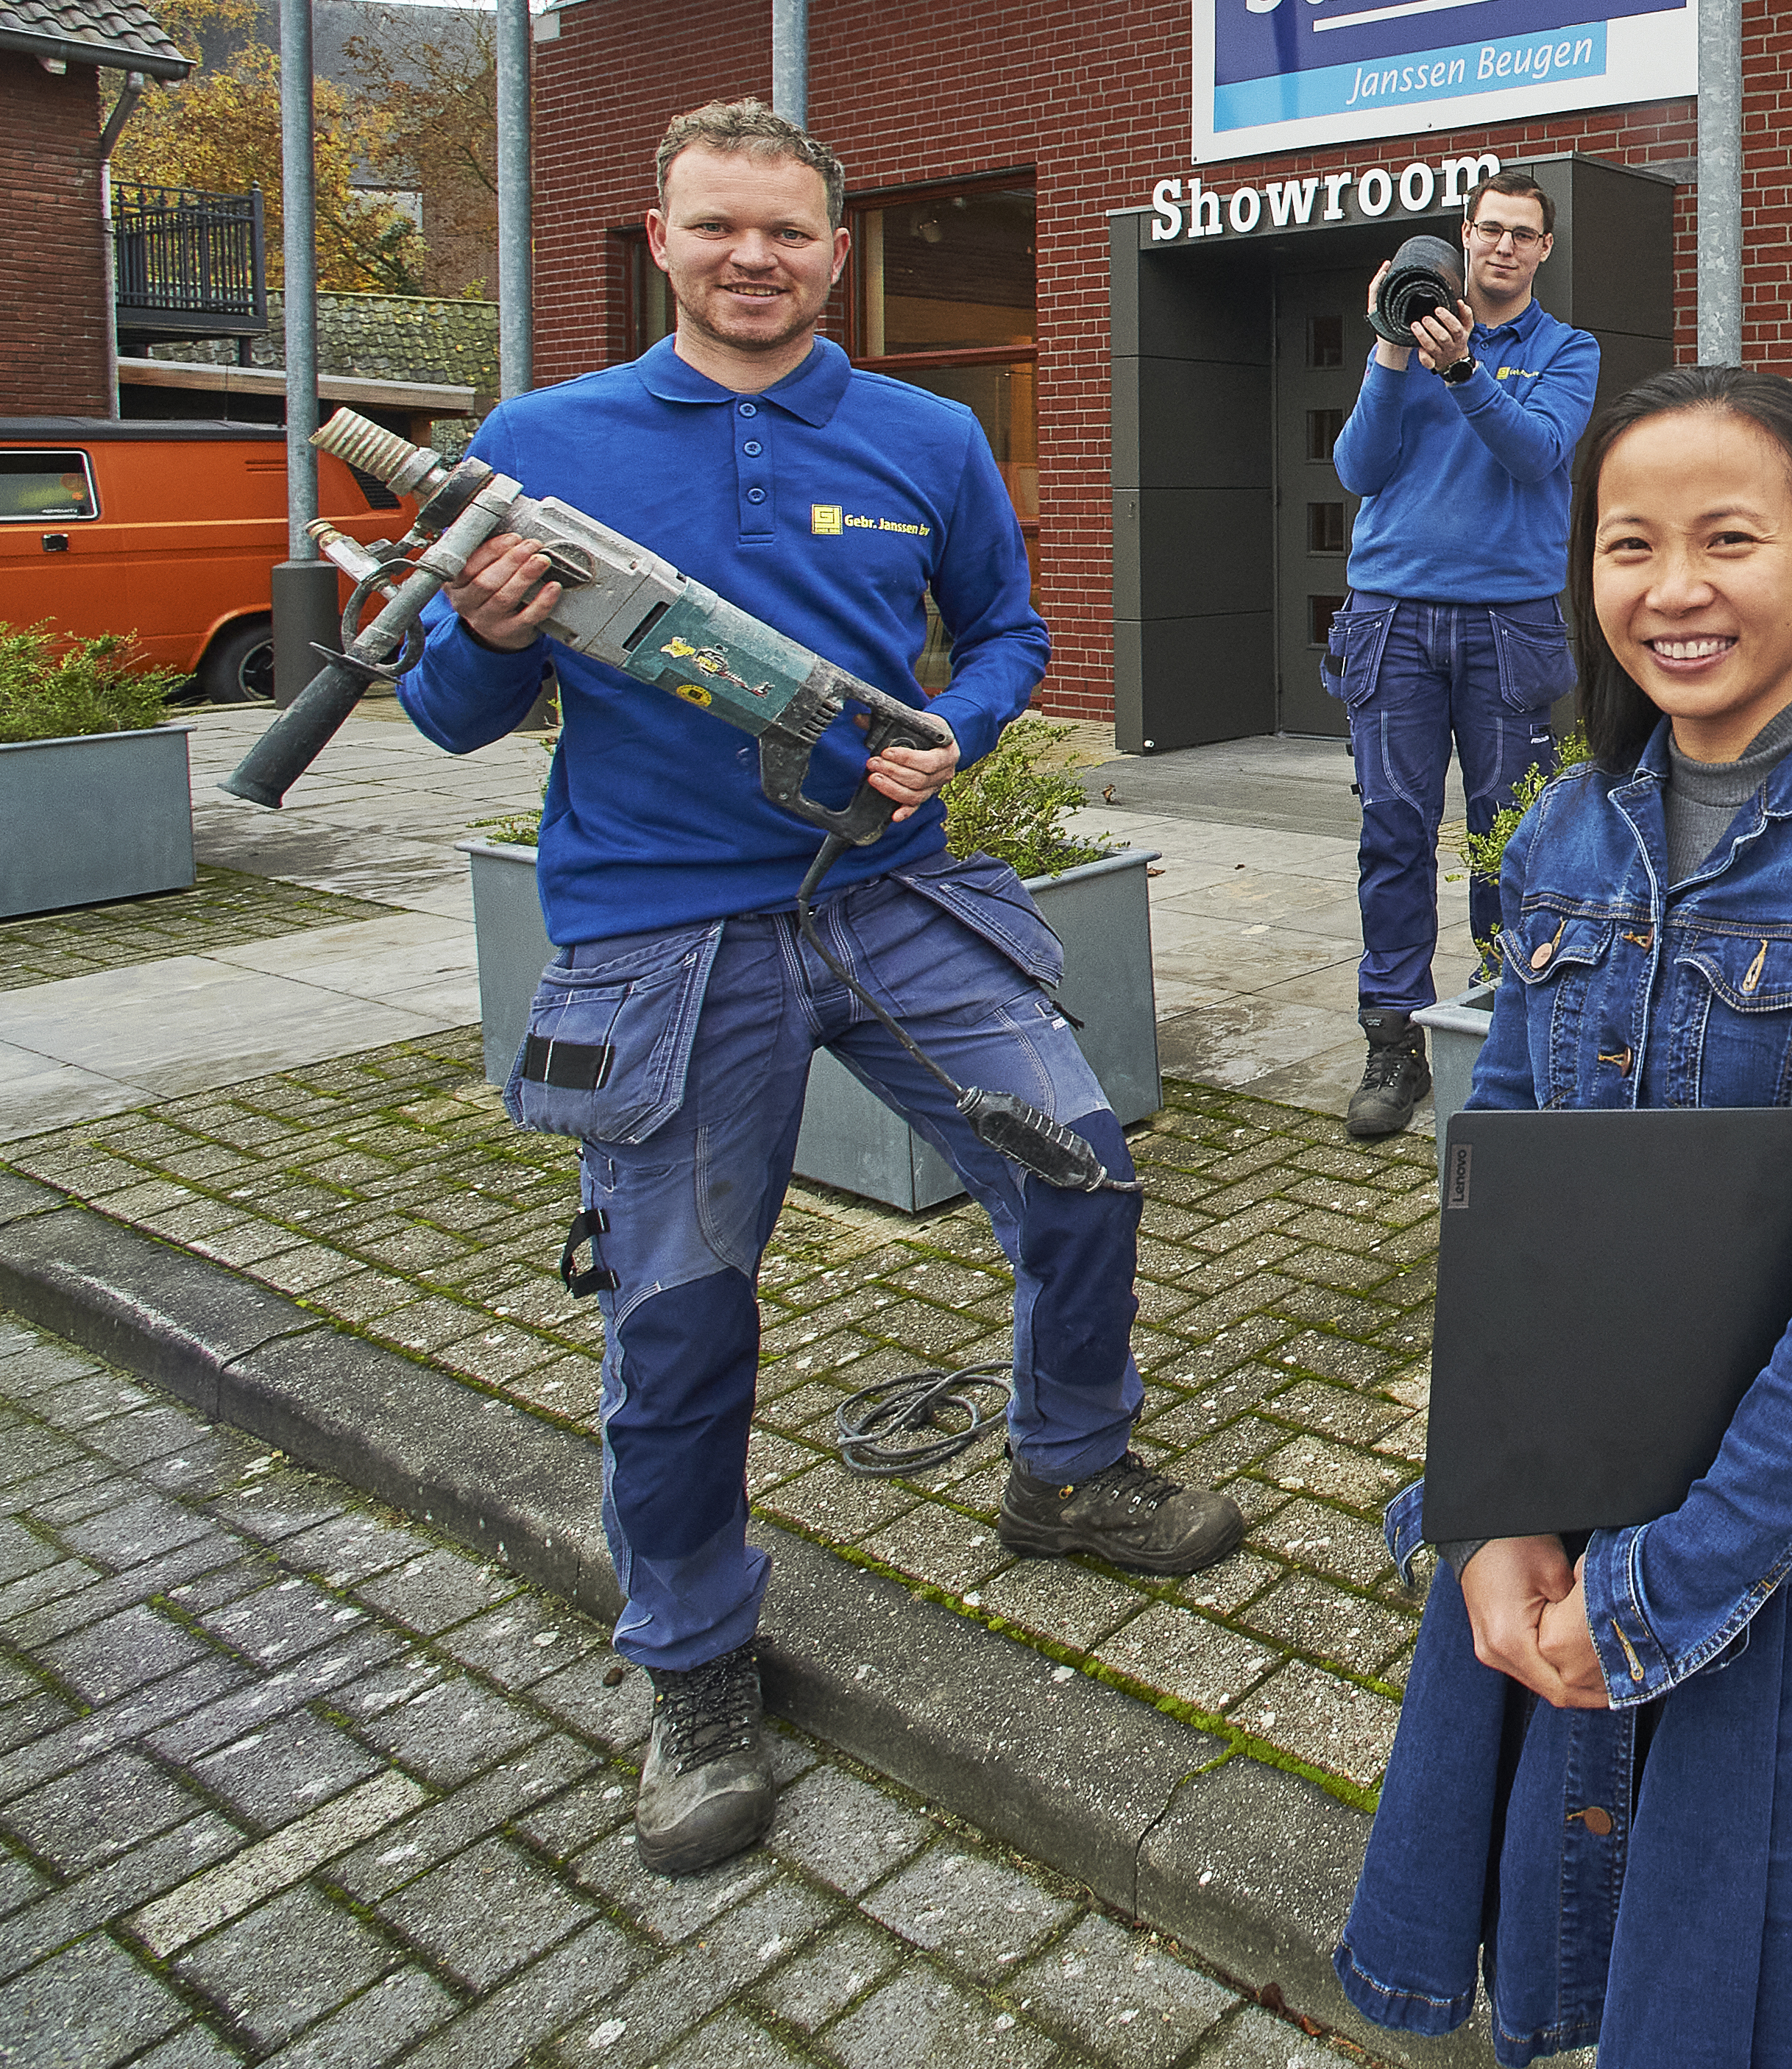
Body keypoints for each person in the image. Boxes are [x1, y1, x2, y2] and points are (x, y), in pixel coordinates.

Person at [406, 99, 1241, 1881]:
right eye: (717, 226)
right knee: (677, 1309)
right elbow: (446, 715)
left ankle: (1066, 1468)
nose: (752, 258)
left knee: (1083, 1163)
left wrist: (965, 726)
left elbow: (1006, 631)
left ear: (835, 252)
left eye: (785, 230)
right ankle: (693, 1657)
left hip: (889, 889)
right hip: (660, 932)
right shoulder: (543, 445)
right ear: (659, 238)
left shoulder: (923, 432)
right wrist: (482, 631)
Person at [1331, 364, 1792, 2066]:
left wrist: (1679, 1578)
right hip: (1572, 1496)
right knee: (1592, 1943)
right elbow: (1507, 1177)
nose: (1674, 588)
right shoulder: (1561, 828)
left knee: (1760, 1976)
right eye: (1628, 543)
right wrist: (1491, 1511)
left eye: (1728, 538)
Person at [1326, 173, 1603, 1140]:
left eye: (1524, 233)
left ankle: (1499, 1023)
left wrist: (1463, 371)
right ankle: (1393, 1037)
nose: (1504, 246)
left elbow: (1537, 452)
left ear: (1544, 248)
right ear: (1466, 235)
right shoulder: (1403, 339)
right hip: (1391, 618)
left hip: (1508, 623)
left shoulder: (1566, 349)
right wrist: (1389, 347)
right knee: (1392, 830)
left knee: (1510, 834)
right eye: (1490, 229)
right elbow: (1357, 468)